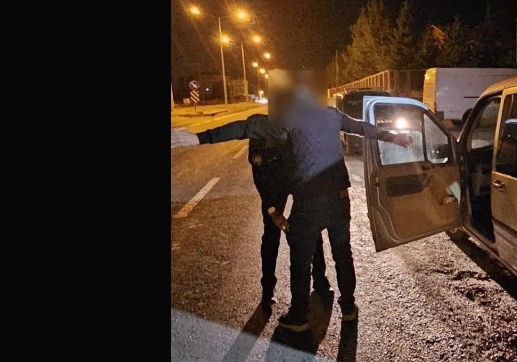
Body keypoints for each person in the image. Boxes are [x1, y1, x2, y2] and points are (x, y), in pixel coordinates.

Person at [171, 82, 411, 332]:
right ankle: (349, 307)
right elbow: (362, 128)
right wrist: (395, 138)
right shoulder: (331, 115)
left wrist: (199, 137)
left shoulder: (288, 121)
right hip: (339, 199)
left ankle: (299, 317)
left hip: (309, 203)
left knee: (300, 259)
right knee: (343, 253)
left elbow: (245, 127)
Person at [194, 114, 293, 308]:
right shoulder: (259, 131)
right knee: (271, 236)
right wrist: (273, 211)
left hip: (297, 182)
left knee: (308, 232)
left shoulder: (297, 122)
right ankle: (267, 291)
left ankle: (320, 279)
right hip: (272, 189)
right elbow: (260, 178)